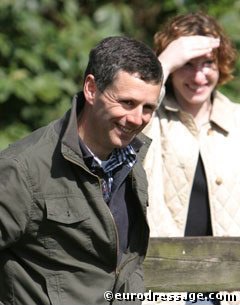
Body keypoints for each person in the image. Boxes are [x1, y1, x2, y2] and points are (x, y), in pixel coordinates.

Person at [0, 36, 163, 305]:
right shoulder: (23, 168)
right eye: (126, 102)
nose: (137, 119)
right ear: (91, 88)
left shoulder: (132, 165)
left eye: (148, 108)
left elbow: (128, 265)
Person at [143, 11, 240, 305]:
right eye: (186, 64)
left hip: (229, 287)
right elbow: (107, 120)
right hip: (165, 285)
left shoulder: (237, 119)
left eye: (207, 63)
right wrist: (162, 62)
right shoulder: (147, 116)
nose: (199, 76)